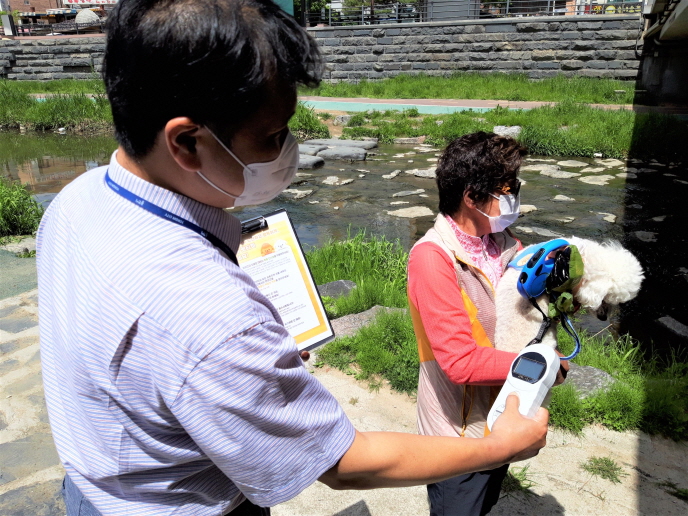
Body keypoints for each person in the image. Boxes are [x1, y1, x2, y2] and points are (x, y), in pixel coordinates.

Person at [36, 2, 549, 515]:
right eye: (273, 136)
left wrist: (248, 366)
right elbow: (344, 462)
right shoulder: (207, 313)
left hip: (94, 484)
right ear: (187, 142)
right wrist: (498, 445)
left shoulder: (75, 200)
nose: (289, 150)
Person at [407, 132, 569, 516]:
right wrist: (545, 363)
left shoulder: (505, 244)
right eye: (509, 187)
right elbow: (460, 362)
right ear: (471, 196)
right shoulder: (432, 259)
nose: (516, 194)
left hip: (503, 413)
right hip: (457, 433)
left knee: (485, 501)